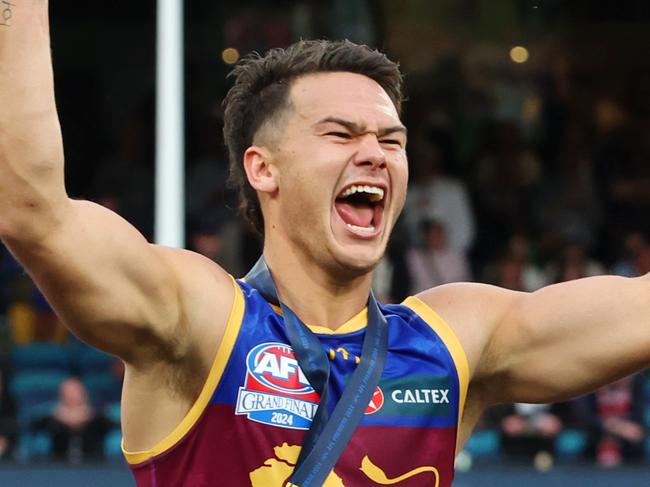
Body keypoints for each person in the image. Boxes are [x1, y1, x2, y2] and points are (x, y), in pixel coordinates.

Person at [1, 4, 649, 486]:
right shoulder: (201, 320)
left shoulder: (454, 342)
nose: (374, 153)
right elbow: (33, 213)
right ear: (263, 168)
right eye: (339, 134)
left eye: (390, 140)